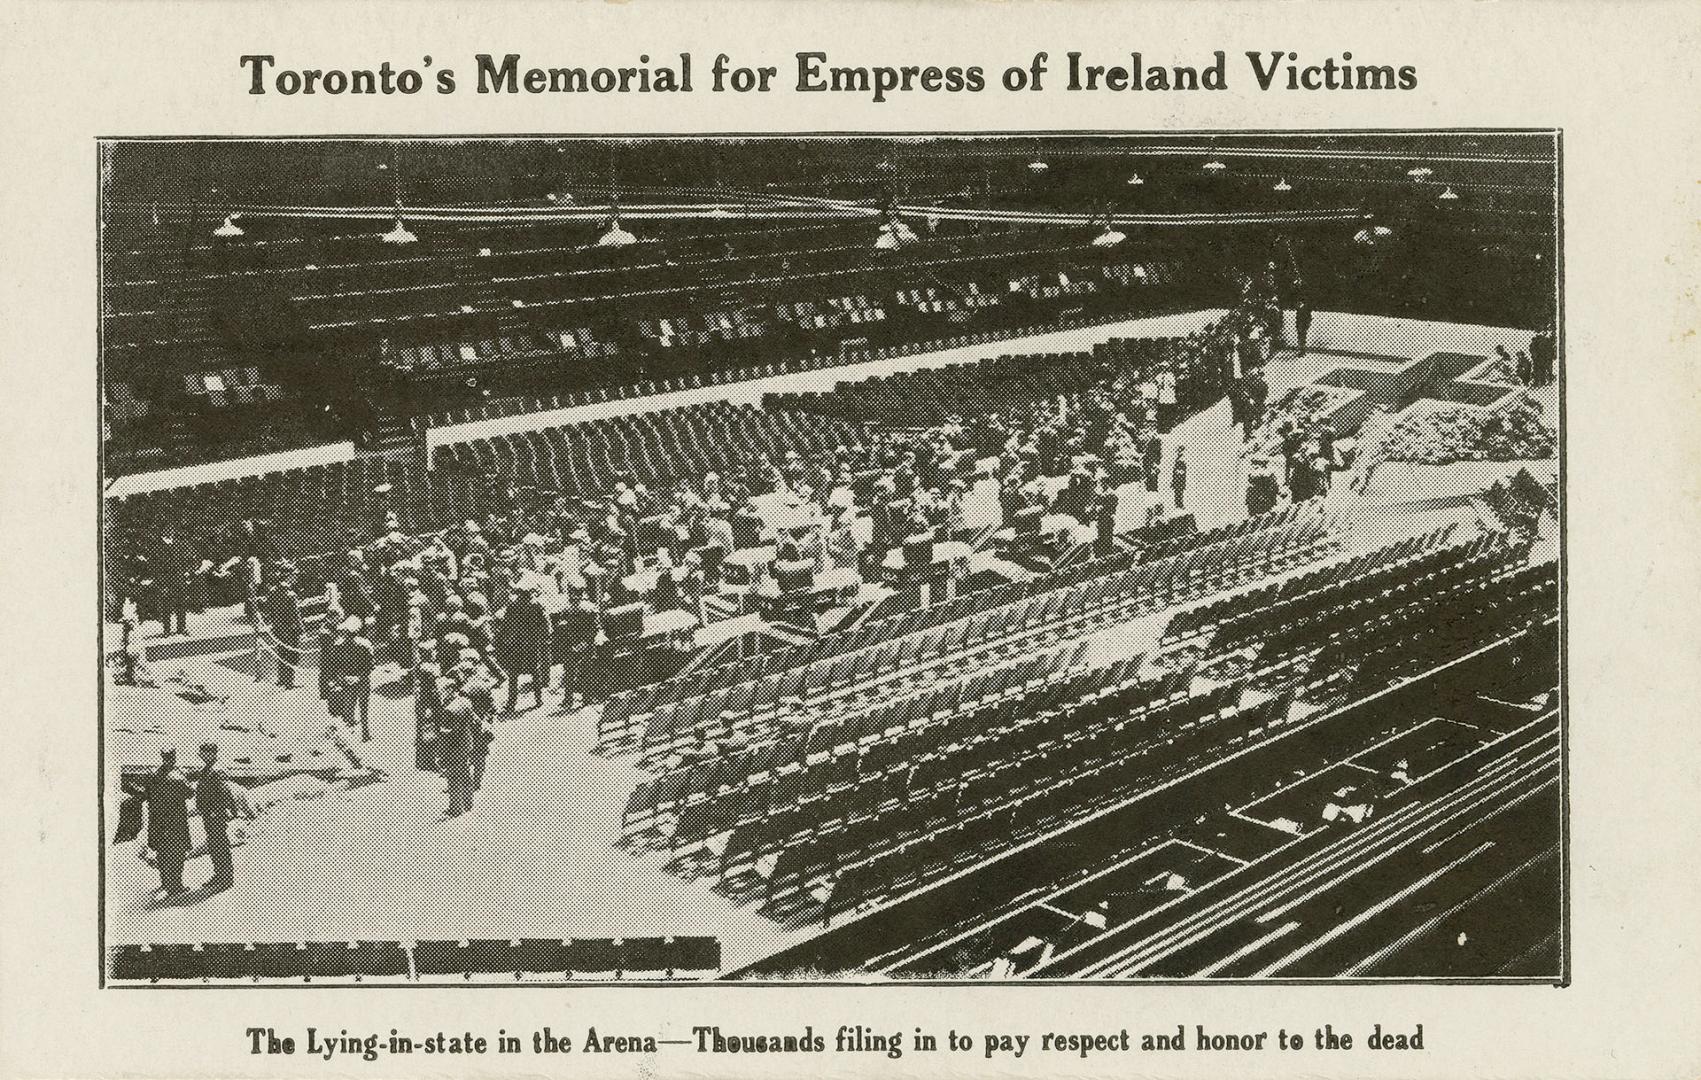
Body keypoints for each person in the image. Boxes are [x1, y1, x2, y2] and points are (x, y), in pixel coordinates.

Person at [195, 742, 249, 893]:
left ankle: (226, 878)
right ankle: (219, 875)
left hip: (215, 815)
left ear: (211, 753)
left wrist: (218, 812)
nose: (201, 755)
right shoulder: (208, 769)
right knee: (214, 845)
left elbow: (225, 794)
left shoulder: (217, 771)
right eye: (201, 752)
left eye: (203, 752)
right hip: (209, 814)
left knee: (220, 845)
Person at [143, 749, 194, 895]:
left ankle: (165, 884)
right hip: (175, 823)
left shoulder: (152, 776)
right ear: (174, 758)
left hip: (157, 822)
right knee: (177, 854)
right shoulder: (177, 777)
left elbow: (146, 795)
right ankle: (176, 886)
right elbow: (190, 793)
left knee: (162, 853)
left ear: (162, 758)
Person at [260, 571, 304, 688]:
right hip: (290, 629)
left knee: (281, 653)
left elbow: (266, 608)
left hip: (278, 628)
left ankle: (281, 679)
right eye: (293, 576)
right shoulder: (291, 594)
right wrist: (301, 630)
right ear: (288, 577)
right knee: (292, 655)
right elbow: (295, 615)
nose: (295, 578)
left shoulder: (273, 592)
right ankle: (289, 681)